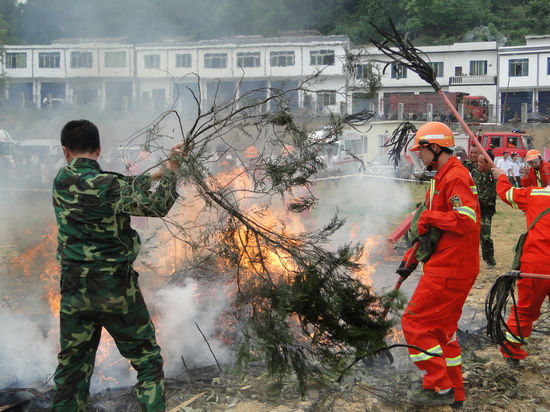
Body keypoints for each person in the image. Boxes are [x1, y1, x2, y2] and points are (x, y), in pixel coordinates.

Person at [51, 120, 182, 411]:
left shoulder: (61, 180)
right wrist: (172, 171)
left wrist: (155, 172)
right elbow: (156, 206)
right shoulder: (111, 186)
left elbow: (114, 186)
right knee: (147, 361)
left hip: (74, 290)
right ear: (99, 149)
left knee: (72, 371)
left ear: (65, 151)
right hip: (115, 288)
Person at [398, 122, 480, 407]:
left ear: (435, 147)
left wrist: (431, 218)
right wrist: (410, 259)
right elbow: (430, 226)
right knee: (443, 331)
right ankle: (456, 393)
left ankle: (438, 385)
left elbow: (467, 221)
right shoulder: (440, 176)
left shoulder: (455, 177)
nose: (418, 156)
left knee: (414, 322)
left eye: (421, 150)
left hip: (451, 268)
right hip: (448, 265)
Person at [492, 165, 550, 368]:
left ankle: (512, 354)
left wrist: (500, 176)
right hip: (538, 264)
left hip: (536, 264)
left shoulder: (535, 195)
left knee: (524, 311)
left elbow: (506, 193)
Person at [474, 150, 497, 267]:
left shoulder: (492, 177)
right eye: (478, 162)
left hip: (485, 210)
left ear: (488, 163)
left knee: (485, 235)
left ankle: (490, 260)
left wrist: (473, 201)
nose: (478, 164)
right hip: (474, 209)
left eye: (481, 162)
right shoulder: (476, 174)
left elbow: (487, 197)